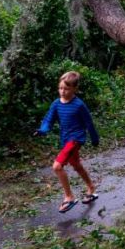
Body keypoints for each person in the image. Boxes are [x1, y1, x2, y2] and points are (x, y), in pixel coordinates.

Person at [34, 71, 100, 213]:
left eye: (66, 89)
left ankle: (69, 197)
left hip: (76, 139)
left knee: (57, 166)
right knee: (76, 165)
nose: (63, 92)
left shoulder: (79, 105)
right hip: (65, 139)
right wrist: (42, 130)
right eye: (60, 88)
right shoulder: (57, 104)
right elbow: (48, 120)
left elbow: (89, 123)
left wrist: (94, 138)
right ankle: (91, 188)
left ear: (75, 89)